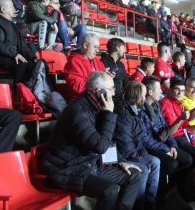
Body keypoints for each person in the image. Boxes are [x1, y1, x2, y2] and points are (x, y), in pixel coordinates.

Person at [42, 71, 142, 210]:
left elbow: (106, 141)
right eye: (111, 89)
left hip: (88, 163)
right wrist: (109, 114)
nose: (114, 93)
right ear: (99, 91)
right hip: (67, 168)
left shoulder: (95, 105)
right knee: (109, 190)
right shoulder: (78, 111)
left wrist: (120, 161)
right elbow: (100, 146)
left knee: (134, 176)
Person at [114, 81, 160, 205]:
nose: (145, 98)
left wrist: (144, 157)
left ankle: (149, 201)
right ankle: (138, 204)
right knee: (143, 168)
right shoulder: (123, 114)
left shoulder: (135, 110)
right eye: (144, 95)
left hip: (132, 152)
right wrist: (142, 161)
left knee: (155, 162)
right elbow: (126, 145)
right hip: (122, 155)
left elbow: (138, 141)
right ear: (137, 95)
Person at [142, 76, 193, 175]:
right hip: (151, 147)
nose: (161, 91)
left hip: (162, 142)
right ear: (150, 92)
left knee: (188, 159)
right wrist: (165, 148)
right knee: (172, 164)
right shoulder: (142, 111)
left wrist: (172, 145)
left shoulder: (156, 106)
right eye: (159, 89)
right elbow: (147, 140)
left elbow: (165, 129)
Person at [160, 78, 195, 168]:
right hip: (174, 138)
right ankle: (192, 180)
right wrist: (180, 118)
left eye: (182, 90)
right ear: (170, 90)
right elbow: (170, 133)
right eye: (177, 90)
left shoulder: (178, 103)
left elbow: (186, 126)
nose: (180, 93)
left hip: (184, 134)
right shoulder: (165, 103)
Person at [0, 0, 37, 83]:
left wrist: (32, 57)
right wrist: (14, 53)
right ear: (3, 9)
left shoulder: (11, 24)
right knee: (20, 65)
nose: (14, 9)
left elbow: (21, 44)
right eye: (11, 6)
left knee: (33, 65)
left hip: (10, 54)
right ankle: (15, 92)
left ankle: (27, 92)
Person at [64, 33, 105, 100]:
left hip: (98, 98)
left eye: (98, 48)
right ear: (85, 45)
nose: (97, 51)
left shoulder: (98, 62)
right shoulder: (73, 62)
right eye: (95, 47)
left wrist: (108, 77)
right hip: (82, 101)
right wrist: (100, 87)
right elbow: (78, 87)